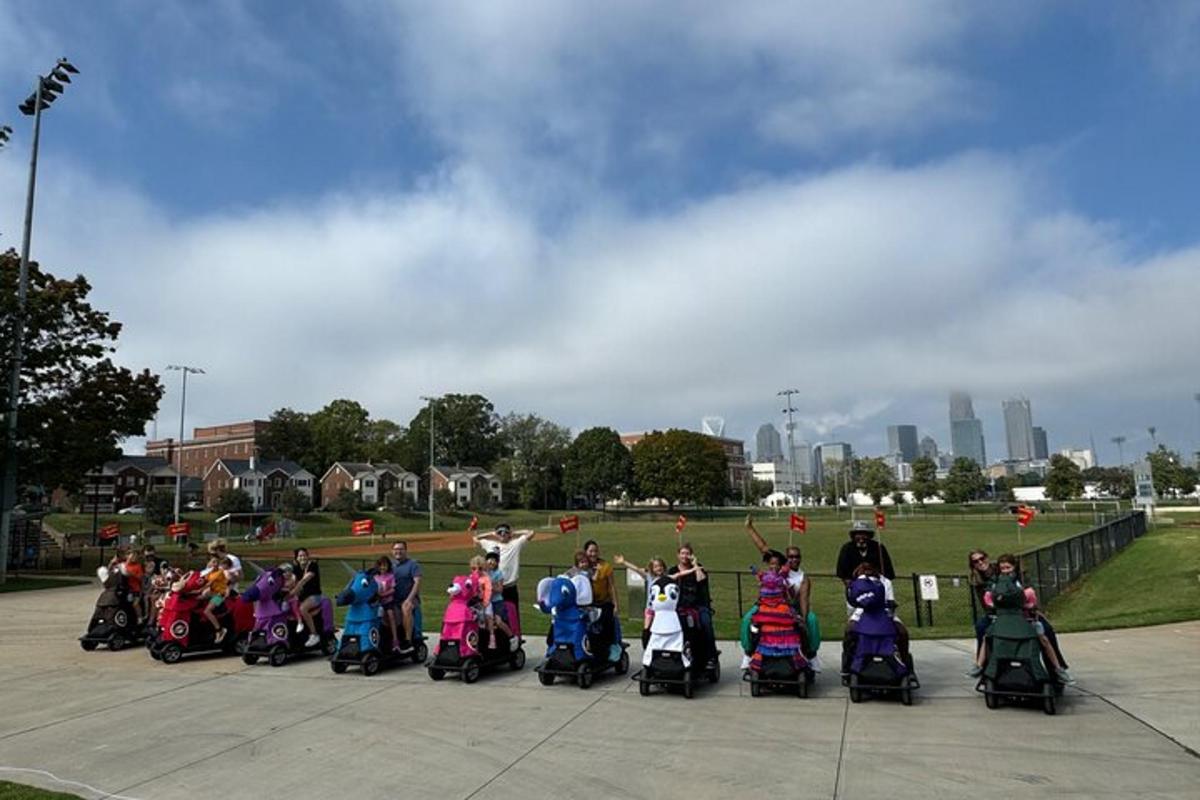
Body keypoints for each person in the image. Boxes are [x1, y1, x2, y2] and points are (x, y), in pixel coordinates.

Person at [970, 554, 1074, 684]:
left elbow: (1031, 599)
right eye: (1003, 568)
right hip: (1002, 616)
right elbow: (988, 600)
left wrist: (1027, 605)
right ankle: (982, 668)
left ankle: (1057, 670)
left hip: (1024, 616)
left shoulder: (1022, 580)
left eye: (1008, 567)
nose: (1005, 570)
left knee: (1046, 632)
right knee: (983, 630)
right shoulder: (993, 582)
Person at [667, 542, 715, 655]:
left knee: (706, 624)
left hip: (697, 605)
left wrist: (695, 565)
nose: (684, 556)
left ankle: (710, 654)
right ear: (678, 555)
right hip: (678, 606)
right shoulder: (673, 570)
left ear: (691, 555)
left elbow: (701, 580)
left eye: (687, 553)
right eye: (682, 553)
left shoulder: (698, 568)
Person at [473, 523, 536, 607]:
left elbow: (531, 533)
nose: (502, 534)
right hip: (495, 587)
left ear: (509, 534)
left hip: (510, 587)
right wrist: (491, 534)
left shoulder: (515, 544)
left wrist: (514, 533)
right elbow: (475, 538)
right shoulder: (490, 545)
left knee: (513, 614)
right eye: (500, 532)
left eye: (505, 532)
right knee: (496, 614)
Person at [835, 520, 895, 586]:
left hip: (877, 587)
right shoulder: (847, 549)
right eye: (858, 534)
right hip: (855, 588)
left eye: (864, 534)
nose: (861, 539)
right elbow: (843, 574)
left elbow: (888, 573)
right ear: (853, 535)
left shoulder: (879, 548)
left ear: (869, 536)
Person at [390, 541, 423, 648]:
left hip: (410, 598)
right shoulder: (390, 566)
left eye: (401, 549)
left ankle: (407, 639)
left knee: (406, 607)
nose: (398, 551)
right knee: (386, 612)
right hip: (394, 599)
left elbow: (417, 582)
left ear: (405, 551)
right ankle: (392, 638)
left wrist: (409, 599)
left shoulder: (413, 565)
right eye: (396, 549)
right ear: (392, 551)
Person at [291, 548, 323, 648]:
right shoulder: (296, 568)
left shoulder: (312, 566)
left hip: (314, 596)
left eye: (304, 555)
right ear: (296, 558)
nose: (302, 557)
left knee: (303, 608)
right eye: (300, 556)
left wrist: (295, 590)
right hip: (302, 596)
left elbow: (305, 579)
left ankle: (314, 634)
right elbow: (291, 580)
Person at [484, 550, 514, 644]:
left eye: (493, 560)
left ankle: (511, 637)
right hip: (486, 602)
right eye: (489, 560)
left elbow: (500, 590)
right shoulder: (484, 573)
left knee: (498, 621)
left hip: (497, 601)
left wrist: (490, 586)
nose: (491, 562)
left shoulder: (498, 573)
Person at [374, 555, 402, 652]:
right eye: (381, 565)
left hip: (388, 602)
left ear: (388, 566)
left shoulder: (390, 576)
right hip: (378, 603)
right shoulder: (375, 577)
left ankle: (395, 640)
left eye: (385, 566)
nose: (383, 568)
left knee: (391, 615)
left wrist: (383, 594)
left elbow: (393, 589)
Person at [200, 555, 230, 642]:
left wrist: (197, 590)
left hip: (220, 595)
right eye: (213, 562)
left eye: (216, 562)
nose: (215, 564)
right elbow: (201, 579)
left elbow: (208, 584)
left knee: (207, 611)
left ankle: (219, 630)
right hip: (213, 593)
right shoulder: (210, 572)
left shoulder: (219, 572)